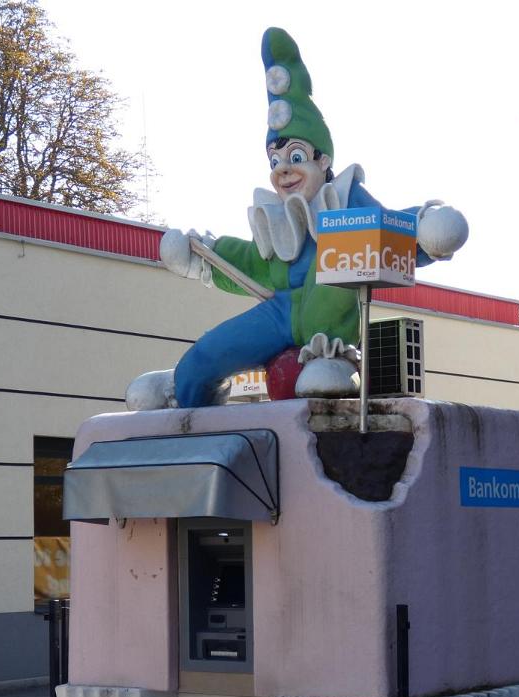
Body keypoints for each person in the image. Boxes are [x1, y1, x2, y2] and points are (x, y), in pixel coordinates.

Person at [127, 27, 468, 410]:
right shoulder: (279, 221)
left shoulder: (346, 204)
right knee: (206, 355)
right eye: (275, 161)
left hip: (327, 332)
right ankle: (183, 390)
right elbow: (253, 264)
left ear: (323, 161)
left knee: (319, 374)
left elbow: (387, 230)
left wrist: (425, 228)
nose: (283, 170)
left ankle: (335, 362)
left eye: (296, 157)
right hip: (280, 314)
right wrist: (203, 255)